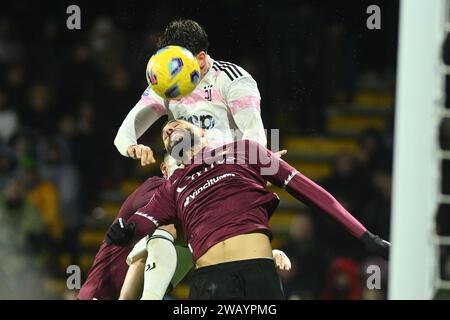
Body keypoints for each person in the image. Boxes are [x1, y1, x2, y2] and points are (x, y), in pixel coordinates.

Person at [106, 120, 390, 300]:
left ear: (204, 133)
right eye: (165, 134)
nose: (169, 128)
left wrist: (365, 235)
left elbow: (314, 193)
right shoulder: (173, 187)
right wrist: (121, 232)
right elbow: (137, 227)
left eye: (177, 122)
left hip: (258, 276)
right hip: (210, 283)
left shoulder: (247, 150)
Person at [79, 153, 291, 300]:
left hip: (152, 286)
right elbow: (167, 233)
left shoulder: (194, 199)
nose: (186, 169)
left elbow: (219, 234)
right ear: (164, 169)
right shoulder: (157, 188)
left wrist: (265, 254)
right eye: (179, 163)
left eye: (190, 163)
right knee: (161, 237)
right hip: (104, 291)